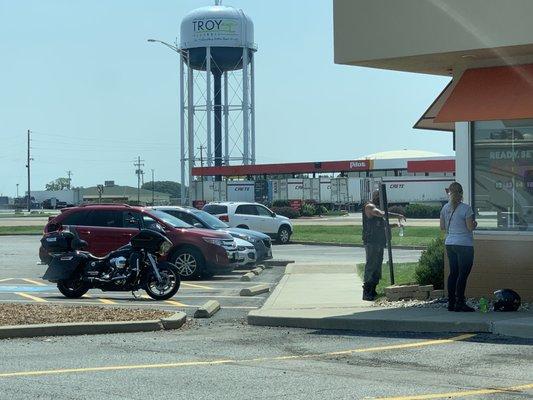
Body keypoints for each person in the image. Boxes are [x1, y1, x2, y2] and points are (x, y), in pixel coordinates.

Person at [440, 182, 477, 312]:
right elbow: (470, 227)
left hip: (450, 243)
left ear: (449, 193)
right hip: (464, 244)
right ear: (461, 193)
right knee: (463, 274)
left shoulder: (445, 208)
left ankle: (451, 303)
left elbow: (442, 227)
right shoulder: (466, 209)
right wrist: (475, 223)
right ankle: (460, 302)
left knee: (453, 273)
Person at [362, 189, 405, 301]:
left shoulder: (377, 207)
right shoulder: (369, 206)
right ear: (374, 195)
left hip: (379, 241)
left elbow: (382, 224)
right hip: (371, 242)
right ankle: (367, 291)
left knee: (377, 266)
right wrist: (397, 215)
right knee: (371, 265)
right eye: (378, 196)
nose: (380, 198)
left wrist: (395, 225)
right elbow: (380, 214)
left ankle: (373, 289)